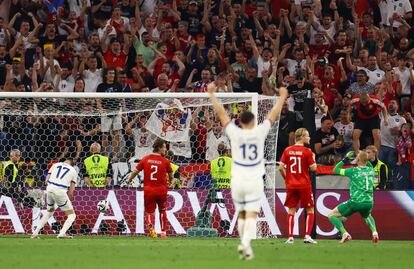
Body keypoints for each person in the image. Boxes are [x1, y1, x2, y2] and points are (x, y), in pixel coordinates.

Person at [207, 82, 288, 260]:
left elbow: (221, 115)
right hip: (254, 178)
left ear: (240, 122)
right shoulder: (259, 132)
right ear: (253, 121)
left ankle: (244, 242)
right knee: (251, 211)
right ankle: (246, 242)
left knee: (242, 211)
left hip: (238, 179)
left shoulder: (235, 133)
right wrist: (282, 96)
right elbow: (272, 115)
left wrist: (212, 95)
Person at [328, 151, 379, 244]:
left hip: (356, 202)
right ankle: (375, 233)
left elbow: (335, 169)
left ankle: (345, 234)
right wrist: (362, 155)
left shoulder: (353, 171)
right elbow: (368, 163)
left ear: (358, 159)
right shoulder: (371, 170)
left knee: (331, 215)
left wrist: (345, 160)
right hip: (369, 202)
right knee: (367, 216)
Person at [127, 139, 174, 238]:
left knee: (149, 212)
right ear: (159, 148)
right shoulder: (165, 161)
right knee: (162, 210)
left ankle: (149, 225)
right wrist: (170, 182)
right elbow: (171, 176)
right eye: (164, 147)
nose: (165, 149)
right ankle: (163, 233)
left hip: (149, 190)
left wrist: (129, 179)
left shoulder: (145, 159)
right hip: (161, 190)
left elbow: (135, 171)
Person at [279, 128, 317, 244]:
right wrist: (314, 158)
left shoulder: (287, 150)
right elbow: (313, 168)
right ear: (302, 137)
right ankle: (307, 236)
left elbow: (280, 167)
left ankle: (290, 237)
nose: (309, 138)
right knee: (310, 209)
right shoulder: (307, 151)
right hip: (304, 184)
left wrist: (288, 179)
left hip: (291, 185)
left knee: (291, 210)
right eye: (308, 136)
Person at [31, 159, 78, 239]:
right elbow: (71, 192)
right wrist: (68, 199)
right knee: (71, 215)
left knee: (49, 212)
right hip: (60, 191)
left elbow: (46, 181)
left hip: (49, 190)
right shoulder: (73, 170)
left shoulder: (55, 165)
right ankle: (62, 233)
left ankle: (35, 233)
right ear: (72, 165)